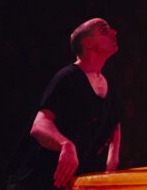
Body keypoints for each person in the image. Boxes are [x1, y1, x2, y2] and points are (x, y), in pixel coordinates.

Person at [7, 19, 122, 190]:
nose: (114, 32)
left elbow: (114, 123)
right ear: (88, 43)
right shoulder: (68, 77)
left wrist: (113, 157)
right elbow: (39, 125)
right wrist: (65, 145)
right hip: (37, 180)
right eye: (104, 30)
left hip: (69, 182)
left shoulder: (108, 84)